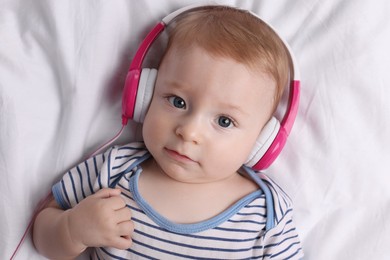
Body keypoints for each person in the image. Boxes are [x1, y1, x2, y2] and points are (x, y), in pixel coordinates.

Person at [33, 5, 304, 259]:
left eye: (224, 121)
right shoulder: (115, 169)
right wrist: (71, 229)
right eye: (178, 101)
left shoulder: (267, 214)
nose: (189, 131)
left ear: (262, 141)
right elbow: (43, 230)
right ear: (144, 94)